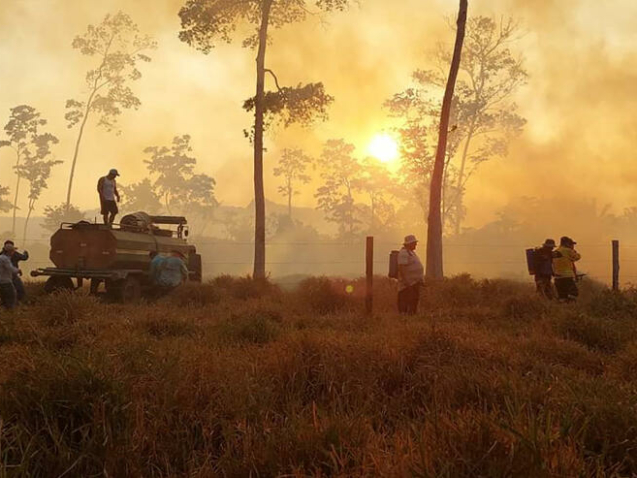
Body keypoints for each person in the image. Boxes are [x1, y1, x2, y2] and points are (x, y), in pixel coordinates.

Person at [397, 234, 424, 315]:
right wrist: (406, 281)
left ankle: (411, 315)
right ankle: (404, 316)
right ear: (409, 244)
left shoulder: (411, 253)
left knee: (413, 300)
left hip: (414, 283)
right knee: (405, 300)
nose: (416, 244)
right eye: (414, 243)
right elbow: (401, 268)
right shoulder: (403, 253)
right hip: (407, 284)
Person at [553, 236, 581, 301]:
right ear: (566, 243)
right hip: (567, 276)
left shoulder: (555, 251)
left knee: (562, 296)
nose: (572, 245)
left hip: (557, 277)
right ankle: (571, 306)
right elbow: (577, 257)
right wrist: (573, 250)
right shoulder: (567, 251)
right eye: (571, 244)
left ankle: (562, 308)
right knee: (574, 293)